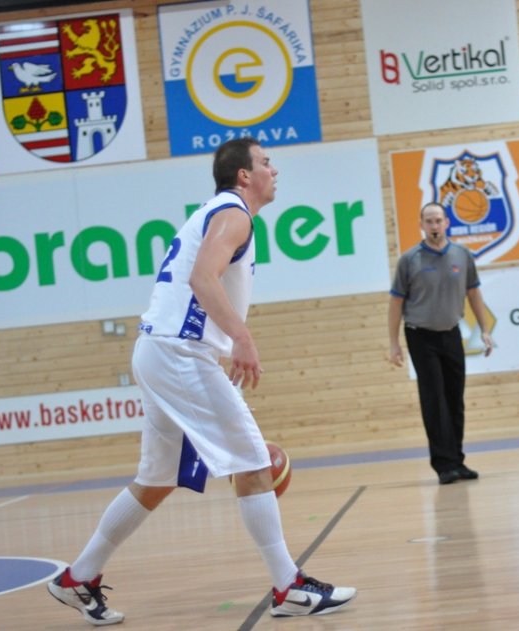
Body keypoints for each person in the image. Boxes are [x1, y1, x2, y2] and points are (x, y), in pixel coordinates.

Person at [47, 138, 355, 625]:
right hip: (180, 352)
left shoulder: (220, 214)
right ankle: (288, 587)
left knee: (156, 481)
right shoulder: (234, 214)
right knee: (252, 461)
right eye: (266, 163)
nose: (274, 170)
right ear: (243, 175)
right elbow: (202, 279)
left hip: (159, 350)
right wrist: (242, 338)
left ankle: (78, 577)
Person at [388, 202, 493, 485]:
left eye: (438, 220)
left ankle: (457, 460)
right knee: (434, 399)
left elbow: (474, 294)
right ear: (421, 225)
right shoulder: (410, 260)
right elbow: (396, 302)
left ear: (447, 223)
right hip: (421, 335)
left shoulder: (462, 255)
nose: (434, 225)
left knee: (454, 398)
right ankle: (443, 464)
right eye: (429, 221)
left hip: (451, 333)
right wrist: (394, 343)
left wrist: (484, 330)